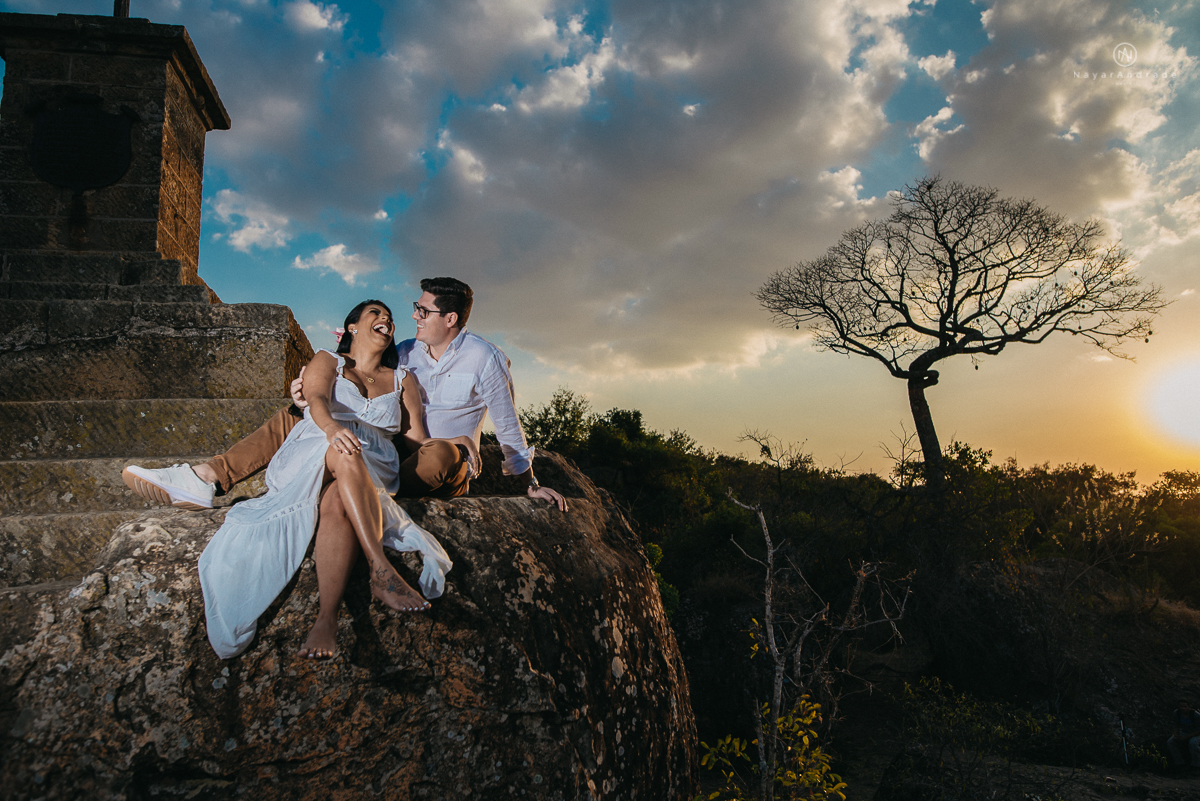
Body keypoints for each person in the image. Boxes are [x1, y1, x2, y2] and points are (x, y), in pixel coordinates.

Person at [122, 277, 568, 512]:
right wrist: (309, 393)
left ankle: (367, 497)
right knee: (296, 416)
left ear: (450, 319)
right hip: (386, 446)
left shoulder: (486, 359)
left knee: (439, 453)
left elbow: (508, 423)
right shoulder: (406, 353)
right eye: (412, 308)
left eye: (423, 310)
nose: (413, 315)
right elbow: (368, 388)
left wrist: (529, 484)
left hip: (434, 456)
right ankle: (207, 478)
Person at [190, 300, 453, 659]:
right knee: (344, 450)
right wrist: (331, 428)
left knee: (336, 503)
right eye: (375, 313)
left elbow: (415, 439)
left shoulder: (403, 379)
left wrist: (457, 453)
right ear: (353, 327)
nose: (386, 319)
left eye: (389, 317)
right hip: (321, 442)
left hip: (374, 463)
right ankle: (380, 568)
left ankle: (326, 620)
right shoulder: (329, 359)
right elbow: (314, 397)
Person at [1168, 698, 1200, 768]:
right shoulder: (1177, 713)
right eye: (1181, 706)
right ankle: (1179, 763)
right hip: (1185, 732)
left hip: (1197, 734)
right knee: (1171, 742)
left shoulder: (1195, 715)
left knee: (1193, 743)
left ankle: (1196, 765)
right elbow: (1175, 724)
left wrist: (1187, 737)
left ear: (1189, 707)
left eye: (1185, 706)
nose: (1183, 708)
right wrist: (1176, 733)